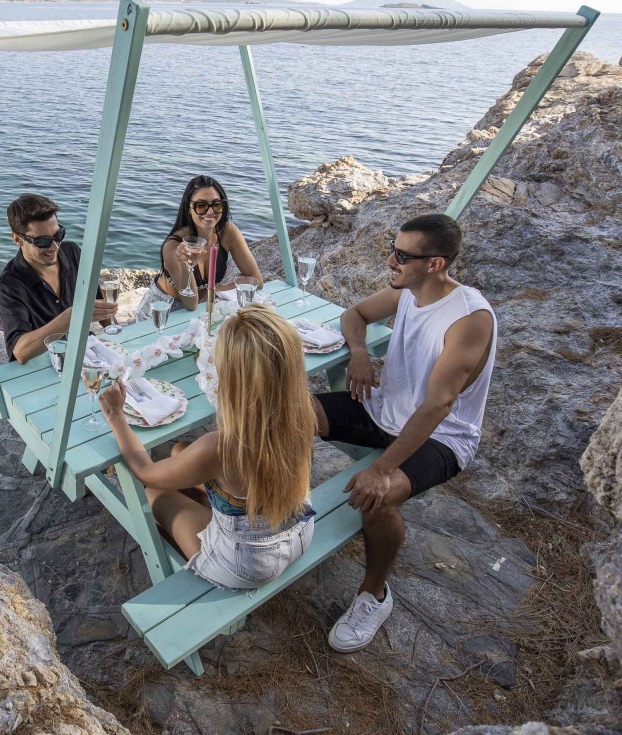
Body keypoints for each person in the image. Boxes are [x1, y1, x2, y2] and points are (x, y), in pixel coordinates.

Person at [315, 213, 496, 652]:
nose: (389, 260)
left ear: (435, 263)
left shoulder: (468, 318)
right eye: (390, 248)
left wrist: (381, 468)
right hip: (386, 412)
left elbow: (438, 405)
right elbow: (354, 313)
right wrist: (359, 352)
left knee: (376, 497)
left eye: (401, 255)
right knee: (291, 412)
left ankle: (374, 594)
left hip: (443, 436)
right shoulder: (409, 292)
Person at [99, 305, 316, 590]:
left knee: (152, 492)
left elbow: (145, 472)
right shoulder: (303, 413)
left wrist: (116, 416)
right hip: (299, 533)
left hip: (247, 564)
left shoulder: (219, 448)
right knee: (180, 451)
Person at [0, 193, 118, 363]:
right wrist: (71, 317)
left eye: (58, 235)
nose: (54, 246)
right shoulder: (9, 285)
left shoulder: (72, 252)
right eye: (43, 241)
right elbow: (20, 352)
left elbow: (96, 301)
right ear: (17, 239)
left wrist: (115, 332)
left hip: (86, 355)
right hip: (42, 367)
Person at [136, 175, 263, 320]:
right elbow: (191, 303)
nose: (210, 212)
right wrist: (185, 263)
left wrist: (213, 292)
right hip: (161, 311)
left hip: (203, 307)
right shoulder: (174, 246)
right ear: (189, 209)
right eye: (201, 206)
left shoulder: (229, 232)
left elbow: (256, 281)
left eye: (216, 204)